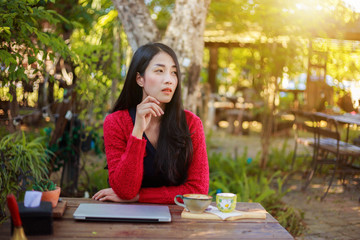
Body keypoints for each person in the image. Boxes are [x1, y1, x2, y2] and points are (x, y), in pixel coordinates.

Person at [92, 43, 209, 204]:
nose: (169, 80)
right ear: (140, 79)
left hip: (178, 220)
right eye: (159, 71)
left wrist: (141, 196)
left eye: (173, 73)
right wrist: (138, 130)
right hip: (127, 220)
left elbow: (198, 190)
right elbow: (125, 190)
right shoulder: (116, 122)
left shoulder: (191, 123)